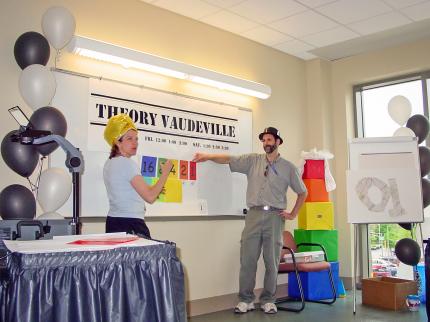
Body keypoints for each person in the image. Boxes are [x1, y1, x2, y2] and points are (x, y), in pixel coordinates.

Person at [193, 127, 307, 314]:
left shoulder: (288, 167)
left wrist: (293, 214)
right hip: (253, 215)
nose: (266, 143)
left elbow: (303, 192)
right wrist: (207, 156)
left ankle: (269, 300)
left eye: (270, 139)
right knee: (247, 260)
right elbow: (229, 159)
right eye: (264, 140)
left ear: (278, 142)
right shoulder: (253, 161)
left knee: (271, 261)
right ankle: (246, 300)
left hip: (274, 217)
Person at [103, 114, 172, 238]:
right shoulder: (127, 164)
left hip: (113, 222)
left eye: (136, 138)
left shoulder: (109, 164)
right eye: (129, 138)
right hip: (131, 224)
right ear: (117, 142)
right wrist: (165, 173)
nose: (135, 143)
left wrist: (155, 189)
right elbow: (150, 197)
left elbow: (127, 191)